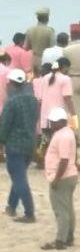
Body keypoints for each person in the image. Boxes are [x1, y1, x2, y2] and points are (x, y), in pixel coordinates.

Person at [0, 69, 39, 223]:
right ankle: (11, 206)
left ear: (11, 84)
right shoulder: (33, 100)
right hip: (30, 144)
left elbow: (4, 126)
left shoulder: (11, 103)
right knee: (19, 177)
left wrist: (1, 143)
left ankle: (29, 212)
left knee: (19, 179)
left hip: (15, 145)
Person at [42, 107, 78, 250]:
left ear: (60, 122)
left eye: (52, 122)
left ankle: (61, 240)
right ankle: (69, 237)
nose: (50, 124)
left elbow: (64, 160)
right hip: (70, 175)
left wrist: (56, 179)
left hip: (63, 177)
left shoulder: (62, 136)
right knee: (68, 208)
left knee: (61, 210)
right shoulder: (68, 132)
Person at [36, 57, 76, 141]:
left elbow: (40, 99)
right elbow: (68, 99)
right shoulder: (66, 79)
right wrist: (74, 116)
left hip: (45, 120)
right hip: (59, 120)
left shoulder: (45, 78)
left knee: (48, 146)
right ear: (65, 67)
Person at [24, 7, 55, 74]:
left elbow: (26, 48)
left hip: (33, 60)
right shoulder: (49, 31)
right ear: (47, 18)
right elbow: (53, 48)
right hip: (45, 61)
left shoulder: (30, 30)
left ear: (37, 18)